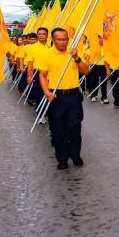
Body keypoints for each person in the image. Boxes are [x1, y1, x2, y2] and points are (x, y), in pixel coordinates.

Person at [39, 28, 90, 170]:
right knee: (58, 129)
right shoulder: (47, 55)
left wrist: (77, 58)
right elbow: (42, 76)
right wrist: (47, 92)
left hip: (73, 95)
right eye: (59, 39)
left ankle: (75, 155)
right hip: (56, 96)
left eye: (64, 39)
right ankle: (62, 158)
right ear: (53, 40)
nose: (62, 42)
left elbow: (86, 71)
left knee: (75, 127)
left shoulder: (73, 52)